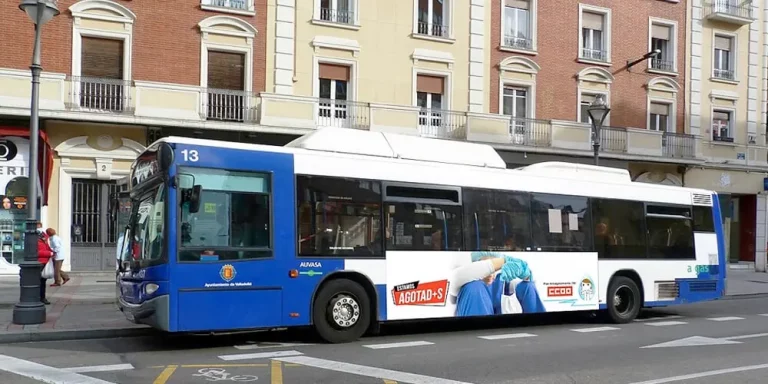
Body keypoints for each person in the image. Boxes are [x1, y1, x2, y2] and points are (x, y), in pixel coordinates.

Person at [37, 230, 55, 305]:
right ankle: (40, 298)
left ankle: (42, 297)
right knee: (39, 282)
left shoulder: (44, 241)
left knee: (43, 282)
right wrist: (49, 253)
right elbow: (37, 252)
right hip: (39, 263)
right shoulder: (36, 242)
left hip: (45, 262)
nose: (45, 238)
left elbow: (48, 248)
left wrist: (52, 252)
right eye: (43, 236)